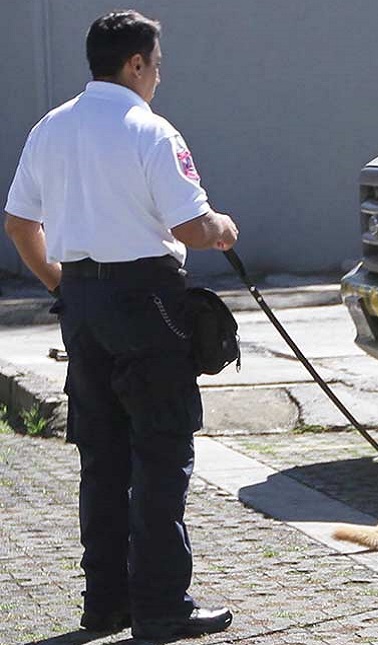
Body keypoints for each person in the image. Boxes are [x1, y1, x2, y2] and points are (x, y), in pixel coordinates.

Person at [3, 10, 238, 640]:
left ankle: (104, 603)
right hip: (147, 300)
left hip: (80, 302)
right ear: (136, 63)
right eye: (156, 64)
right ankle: (162, 606)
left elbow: (21, 225)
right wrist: (221, 228)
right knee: (161, 454)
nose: (159, 76)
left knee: (102, 461)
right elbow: (190, 227)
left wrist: (61, 283)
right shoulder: (152, 131)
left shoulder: (50, 127)